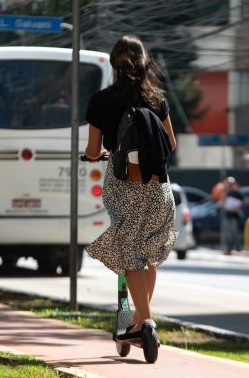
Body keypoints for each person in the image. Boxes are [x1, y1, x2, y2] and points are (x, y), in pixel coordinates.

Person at [83, 35, 178, 341]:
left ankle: (146, 322)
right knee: (147, 254)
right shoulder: (156, 100)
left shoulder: (101, 101)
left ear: (114, 65)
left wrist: (97, 155)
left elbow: (94, 150)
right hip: (158, 185)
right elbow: (171, 144)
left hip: (123, 186)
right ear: (144, 63)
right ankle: (137, 320)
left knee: (129, 253)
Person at [220, 177, 246, 255]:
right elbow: (222, 203)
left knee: (235, 233)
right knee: (228, 234)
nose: (229, 185)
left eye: (230, 184)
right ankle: (228, 249)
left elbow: (244, 202)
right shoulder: (225, 193)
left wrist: (237, 207)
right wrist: (225, 192)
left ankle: (238, 249)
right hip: (228, 215)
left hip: (235, 216)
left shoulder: (237, 193)